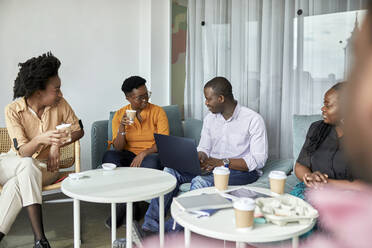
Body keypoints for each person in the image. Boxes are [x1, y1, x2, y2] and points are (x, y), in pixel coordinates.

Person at [142, 76, 268, 233]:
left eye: (209, 99)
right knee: (170, 171)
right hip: (211, 166)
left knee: (200, 180)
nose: (206, 103)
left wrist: (222, 162)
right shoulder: (210, 119)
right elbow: (204, 147)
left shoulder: (253, 120)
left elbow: (258, 160)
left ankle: (169, 235)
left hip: (242, 172)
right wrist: (200, 156)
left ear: (221, 98)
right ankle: (150, 226)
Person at [0, 52, 84, 248]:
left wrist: (56, 144)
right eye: (57, 89)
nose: (61, 94)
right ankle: (40, 240)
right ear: (39, 92)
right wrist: (39, 139)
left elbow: (79, 129)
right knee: (26, 163)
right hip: (11, 163)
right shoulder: (13, 110)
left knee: (18, 183)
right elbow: (23, 153)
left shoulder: (60, 104)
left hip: (43, 168)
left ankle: (40, 240)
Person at [102, 76, 169, 228]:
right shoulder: (120, 115)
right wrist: (121, 129)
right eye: (140, 98)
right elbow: (118, 148)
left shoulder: (158, 112)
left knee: (152, 162)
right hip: (128, 155)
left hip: (151, 154)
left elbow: (163, 143)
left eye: (147, 95)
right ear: (128, 98)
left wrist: (144, 153)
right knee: (109, 157)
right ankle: (129, 206)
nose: (145, 100)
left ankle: (126, 206)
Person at [291, 82, 364, 200]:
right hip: (314, 191)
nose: (322, 109)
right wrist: (310, 177)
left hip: (351, 197)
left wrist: (327, 183)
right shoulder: (316, 128)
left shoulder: (365, 136)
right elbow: (300, 165)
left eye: (328, 105)